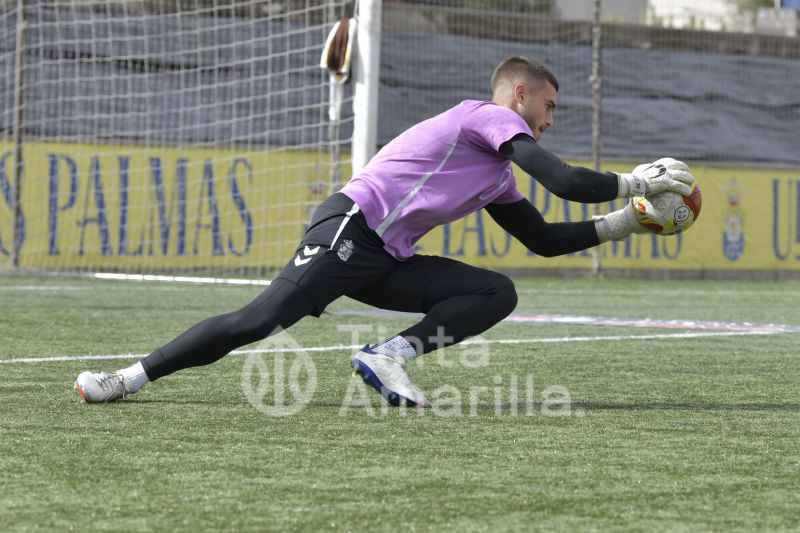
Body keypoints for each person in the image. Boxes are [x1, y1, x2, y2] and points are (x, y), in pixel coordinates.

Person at [74, 56, 694, 407]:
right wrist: (637, 181)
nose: (552, 119)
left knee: (495, 292)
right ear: (521, 93)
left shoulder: (498, 168)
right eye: (551, 106)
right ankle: (125, 379)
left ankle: (389, 355)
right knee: (259, 320)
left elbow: (545, 239)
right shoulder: (484, 118)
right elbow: (560, 179)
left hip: (387, 256)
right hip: (351, 225)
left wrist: (624, 224)